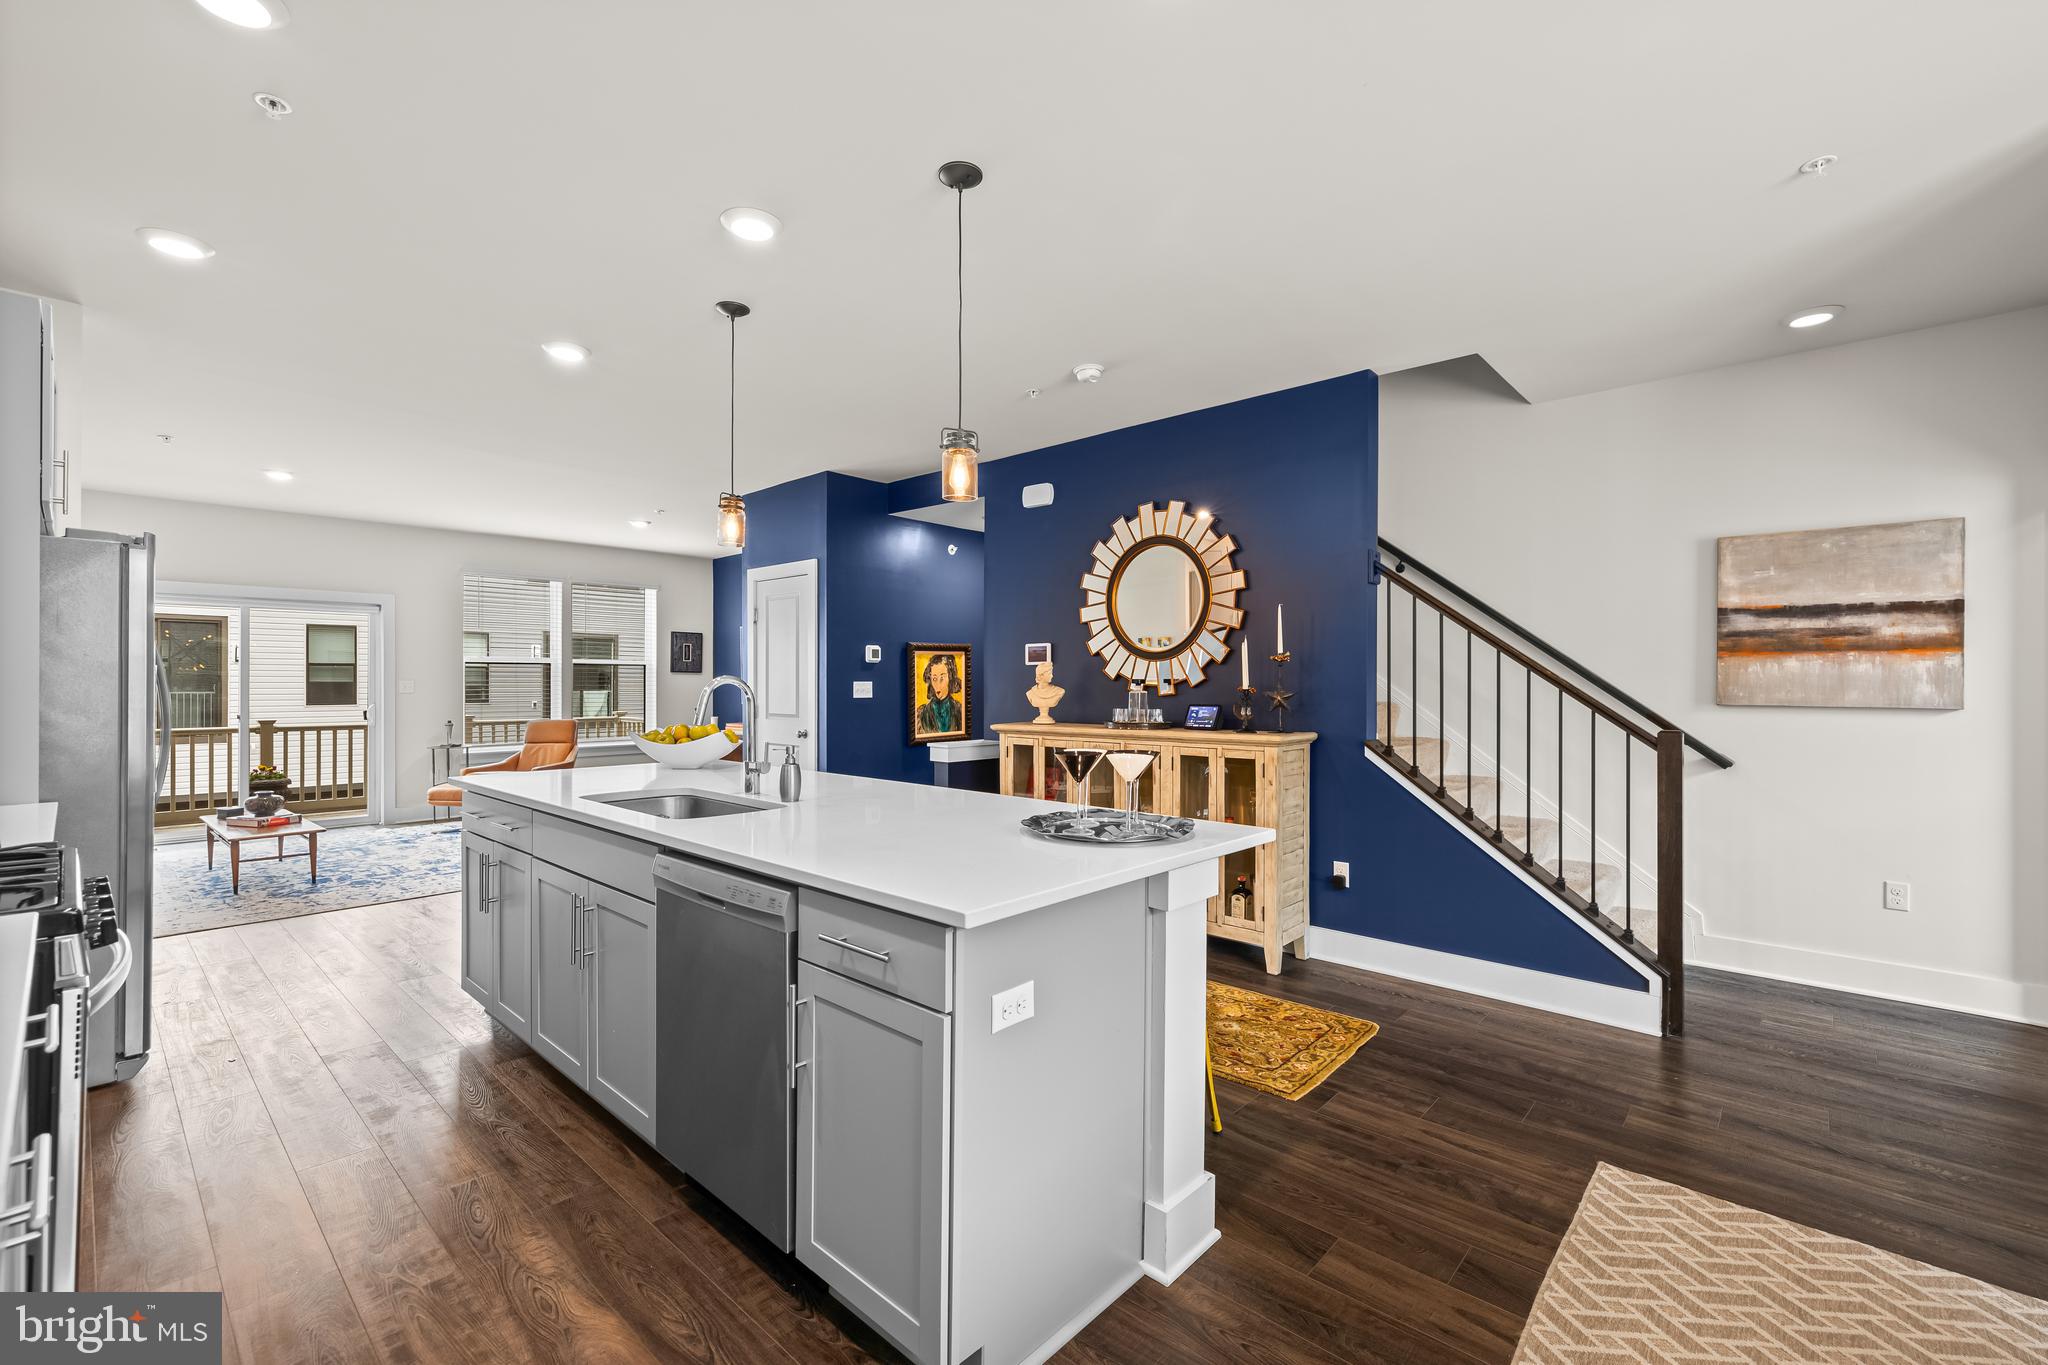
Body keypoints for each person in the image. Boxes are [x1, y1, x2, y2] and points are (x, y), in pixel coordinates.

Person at [916, 653, 963, 737]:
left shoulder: (960, 710)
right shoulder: (921, 714)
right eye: (934, 679)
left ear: (950, 678)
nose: (938, 684)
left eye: (942, 678)